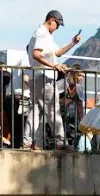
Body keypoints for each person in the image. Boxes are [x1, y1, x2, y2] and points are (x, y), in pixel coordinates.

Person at [25, 10, 81, 150]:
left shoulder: (46, 35)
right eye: (57, 25)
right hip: (45, 77)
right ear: (51, 20)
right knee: (53, 110)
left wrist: (72, 43)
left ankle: (27, 140)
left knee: (36, 109)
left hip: (39, 76)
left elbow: (57, 52)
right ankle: (60, 143)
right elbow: (36, 54)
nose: (57, 29)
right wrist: (54, 66)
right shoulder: (42, 33)